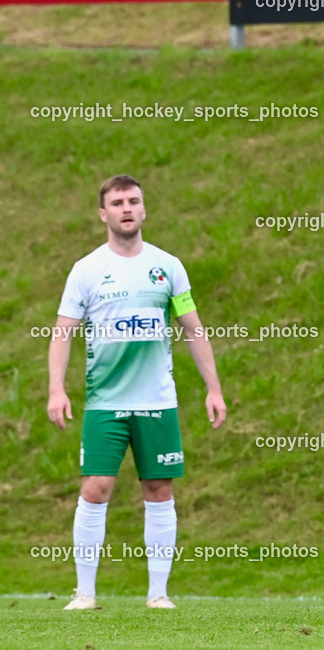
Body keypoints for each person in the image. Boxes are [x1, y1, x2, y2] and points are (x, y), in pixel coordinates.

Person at [47, 174, 227, 610]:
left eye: (134, 201)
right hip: (105, 402)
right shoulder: (86, 270)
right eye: (117, 202)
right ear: (103, 213)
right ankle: (84, 593)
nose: (126, 208)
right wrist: (56, 388)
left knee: (160, 490)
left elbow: (192, 328)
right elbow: (63, 333)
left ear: (144, 210)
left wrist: (213, 388)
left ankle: (158, 594)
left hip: (157, 401)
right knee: (96, 488)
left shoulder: (168, 266)